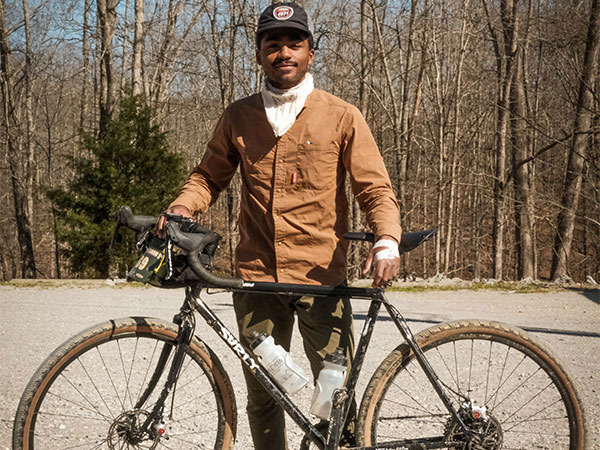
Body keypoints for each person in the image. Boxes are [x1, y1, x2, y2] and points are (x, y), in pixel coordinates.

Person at [159, 3, 402, 448]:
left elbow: (375, 188)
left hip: (321, 278)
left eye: (295, 43)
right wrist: (182, 208)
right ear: (259, 54)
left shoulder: (342, 116)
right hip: (255, 278)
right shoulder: (239, 116)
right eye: (273, 44)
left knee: (335, 395)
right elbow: (208, 176)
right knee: (264, 396)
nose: (284, 52)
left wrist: (386, 239)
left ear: (311, 52)